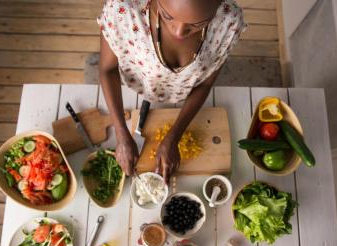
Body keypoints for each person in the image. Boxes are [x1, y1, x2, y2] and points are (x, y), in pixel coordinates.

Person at [98, 0, 245, 183]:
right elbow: (107, 70)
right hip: (135, 89)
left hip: (185, 96)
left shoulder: (228, 21)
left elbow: (205, 85)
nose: (179, 32)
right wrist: (121, 134)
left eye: (197, 24)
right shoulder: (123, 10)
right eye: (167, 16)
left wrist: (174, 136)